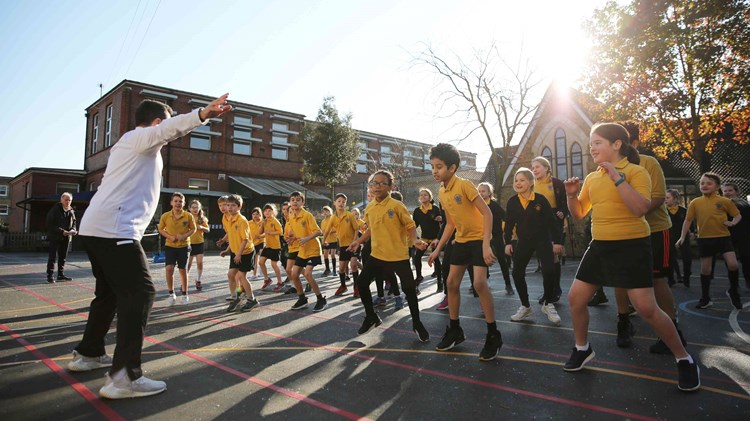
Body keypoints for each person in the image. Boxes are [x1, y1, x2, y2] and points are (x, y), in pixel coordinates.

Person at [67, 95, 232, 399]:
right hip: (114, 231)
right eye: (166, 122)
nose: (166, 129)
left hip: (97, 229)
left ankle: (88, 353)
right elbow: (165, 131)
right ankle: (124, 378)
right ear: (158, 122)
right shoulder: (140, 138)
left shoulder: (131, 147)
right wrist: (201, 114)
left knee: (108, 295)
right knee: (141, 293)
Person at [564, 122, 699, 392]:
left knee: (647, 308)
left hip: (632, 245)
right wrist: (570, 196)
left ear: (617, 144)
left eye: (597, 142)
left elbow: (640, 208)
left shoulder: (637, 172)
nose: (592, 148)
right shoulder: (592, 178)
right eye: (591, 143)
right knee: (575, 298)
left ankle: (684, 359)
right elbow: (579, 213)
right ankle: (583, 348)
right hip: (600, 245)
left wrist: (617, 177)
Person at [427, 143, 502, 361]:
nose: (435, 171)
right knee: (451, 283)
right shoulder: (441, 191)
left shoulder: (465, 185)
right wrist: (437, 249)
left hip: (479, 239)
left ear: (452, 167)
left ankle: (493, 333)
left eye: (439, 166)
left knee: (479, 284)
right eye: (432, 166)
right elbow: (450, 224)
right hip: (461, 240)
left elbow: (487, 214)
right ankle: (455, 330)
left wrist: (486, 244)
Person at [347, 170, 430, 341]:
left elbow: (410, 225)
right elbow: (370, 229)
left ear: (391, 186)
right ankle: (371, 316)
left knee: (409, 290)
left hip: (398, 256)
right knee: (362, 283)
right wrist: (359, 241)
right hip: (377, 255)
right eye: (374, 183)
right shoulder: (369, 207)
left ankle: (417, 323)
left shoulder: (397, 206)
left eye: (381, 183)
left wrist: (414, 240)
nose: (377, 186)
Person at [504, 168, 564, 326]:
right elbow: (508, 224)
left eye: (522, 180)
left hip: (542, 240)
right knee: (517, 273)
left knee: (549, 270)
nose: (518, 183)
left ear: (531, 183)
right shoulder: (512, 202)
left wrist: (557, 242)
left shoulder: (540, 200)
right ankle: (525, 306)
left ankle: (548, 304)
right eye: (516, 180)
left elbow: (552, 222)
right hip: (524, 241)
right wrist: (508, 242)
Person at [676, 173, 743, 310]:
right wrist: (683, 237)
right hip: (705, 239)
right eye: (702, 183)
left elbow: (737, 215)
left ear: (717, 186)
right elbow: (688, 220)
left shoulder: (724, 201)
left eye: (709, 183)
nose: (705, 185)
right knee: (706, 269)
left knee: (733, 264)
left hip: (723, 237)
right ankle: (705, 298)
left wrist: (732, 222)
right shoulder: (695, 202)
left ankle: (733, 291)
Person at [530, 156, 568, 303]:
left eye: (537, 167)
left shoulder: (557, 183)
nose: (534, 170)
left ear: (546, 168)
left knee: (553, 256)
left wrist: (563, 212)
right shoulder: (532, 185)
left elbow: (566, 203)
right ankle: (548, 290)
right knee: (544, 259)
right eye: (532, 168)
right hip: (538, 224)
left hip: (554, 223)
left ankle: (555, 290)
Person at [285, 191, 327, 311]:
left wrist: (306, 238)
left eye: (298, 200)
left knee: (308, 274)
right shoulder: (291, 217)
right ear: (290, 202)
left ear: (302, 203)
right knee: (294, 274)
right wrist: (293, 239)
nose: (295, 202)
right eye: (292, 199)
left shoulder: (307, 215)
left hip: (313, 249)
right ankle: (302, 298)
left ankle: (320, 299)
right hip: (302, 250)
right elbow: (298, 233)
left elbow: (319, 231)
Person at [222, 194, 260, 313]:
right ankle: (235, 297)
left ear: (239, 207)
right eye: (228, 205)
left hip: (245, 252)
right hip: (235, 251)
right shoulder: (229, 219)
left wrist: (239, 254)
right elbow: (233, 236)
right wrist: (227, 249)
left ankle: (252, 299)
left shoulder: (242, 220)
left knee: (241, 276)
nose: (230, 208)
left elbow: (245, 239)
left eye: (233, 205)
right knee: (231, 274)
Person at [158, 192, 196, 305]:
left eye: (180, 201)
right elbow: (160, 229)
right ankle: (171, 293)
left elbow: (193, 229)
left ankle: (185, 293)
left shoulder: (188, 216)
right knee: (169, 269)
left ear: (184, 203)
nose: (178, 203)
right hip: (170, 246)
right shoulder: (165, 216)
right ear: (171, 203)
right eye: (176, 201)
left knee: (182, 270)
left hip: (184, 247)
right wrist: (169, 236)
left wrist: (184, 236)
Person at [477, 182, 513, 295]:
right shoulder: (476, 205)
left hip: (496, 235)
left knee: (502, 259)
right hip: (482, 235)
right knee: (482, 259)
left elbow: (506, 217)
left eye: (483, 191)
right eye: (479, 191)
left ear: (489, 193)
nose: (481, 193)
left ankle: (508, 284)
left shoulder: (494, 205)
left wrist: (505, 233)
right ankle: (485, 281)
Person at [322, 193, 361, 296]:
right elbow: (327, 230)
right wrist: (324, 240)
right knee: (342, 268)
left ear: (345, 204)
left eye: (343, 202)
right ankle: (343, 286)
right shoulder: (333, 218)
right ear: (334, 203)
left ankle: (356, 287)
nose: (341, 203)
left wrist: (354, 241)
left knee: (353, 265)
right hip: (343, 245)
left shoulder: (349, 215)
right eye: (339, 201)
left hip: (353, 244)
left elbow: (356, 229)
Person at [412, 188, 444, 291]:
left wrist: (441, 218)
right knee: (417, 258)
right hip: (424, 239)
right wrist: (414, 237)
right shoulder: (417, 211)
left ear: (430, 198)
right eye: (421, 195)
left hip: (435, 238)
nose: (423, 197)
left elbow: (443, 220)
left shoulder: (435, 209)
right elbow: (414, 225)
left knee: (436, 260)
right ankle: (419, 276)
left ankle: (440, 282)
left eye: (425, 195)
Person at [722, 183, 750, 289]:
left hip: (743, 235)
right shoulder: (721, 206)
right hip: (727, 236)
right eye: (725, 191)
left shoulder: (744, 206)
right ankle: (734, 282)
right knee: (730, 261)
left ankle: (748, 280)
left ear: (737, 192)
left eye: (730, 190)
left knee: (746, 258)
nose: (727, 193)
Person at [46, 192, 77, 283]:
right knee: (52, 257)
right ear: (61, 200)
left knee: (63, 257)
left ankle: (60, 275)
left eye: (69, 200)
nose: (68, 202)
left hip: (66, 237)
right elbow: (49, 224)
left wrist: (73, 230)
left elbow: (74, 222)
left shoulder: (71, 211)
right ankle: (50, 276)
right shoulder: (55, 210)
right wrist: (61, 231)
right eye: (66, 200)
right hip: (55, 237)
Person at [666, 189, 692, 287]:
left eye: (668, 198)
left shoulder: (683, 211)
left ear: (676, 199)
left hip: (682, 237)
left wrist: (692, 232)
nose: (665, 200)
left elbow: (689, 222)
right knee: (670, 259)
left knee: (687, 258)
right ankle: (671, 279)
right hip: (669, 237)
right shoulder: (664, 211)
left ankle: (686, 278)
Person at [259, 204, 284, 290]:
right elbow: (260, 232)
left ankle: (280, 282)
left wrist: (271, 233)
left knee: (274, 264)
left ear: (273, 212)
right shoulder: (265, 221)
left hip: (275, 246)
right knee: (261, 262)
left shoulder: (275, 221)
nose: (267, 212)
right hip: (268, 245)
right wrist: (262, 224)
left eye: (269, 211)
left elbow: (281, 231)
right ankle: (267, 279)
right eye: (265, 211)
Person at [187, 200, 209, 292]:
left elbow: (208, 229)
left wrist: (202, 227)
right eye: (193, 207)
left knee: (200, 262)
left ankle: (198, 280)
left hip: (199, 243)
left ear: (200, 208)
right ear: (189, 208)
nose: (195, 209)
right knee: (188, 264)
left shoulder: (202, 218)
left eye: (197, 207)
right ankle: (184, 281)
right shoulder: (186, 217)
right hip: (188, 243)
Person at [320, 206, 338, 277]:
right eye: (324, 211)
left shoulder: (333, 219)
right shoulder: (323, 221)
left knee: (333, 254)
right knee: (325, 255)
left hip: (333, 240)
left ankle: (334, 270)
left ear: (330, 211)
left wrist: (331, 231)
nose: (325, 213)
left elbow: (337, 228)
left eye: (327, 211)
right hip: (326, 240)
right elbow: (323, 231)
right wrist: (323, 233)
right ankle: (327, 269)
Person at [248, 207, 265, 280]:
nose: (255, 216)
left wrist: (260, 236)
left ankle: (262, 272)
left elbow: (266, 233)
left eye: (257, 214)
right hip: (252, 243)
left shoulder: (263, 222)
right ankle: (254, 274)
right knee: (255, 260)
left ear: (260, 215)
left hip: (261, 242)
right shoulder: (249, 223)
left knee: (262, 258)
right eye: (253, 214)